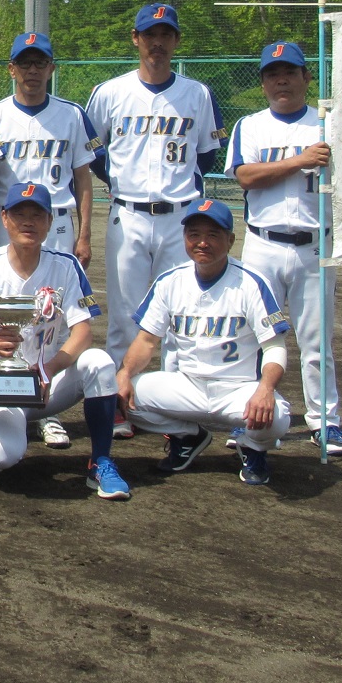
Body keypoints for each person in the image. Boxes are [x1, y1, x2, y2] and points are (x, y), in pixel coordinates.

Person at [0, 183, 128, 499]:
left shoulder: (66, 265)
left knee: (99, 362)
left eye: (37, 215)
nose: (29, 222)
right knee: (2, 457)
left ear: (50, 222)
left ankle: (102, 461)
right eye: (20, 214)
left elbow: (83, 333)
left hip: (45, 384)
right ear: (4, 219)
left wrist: (49, 368)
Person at [84, 3, 224, 436]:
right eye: (150, 34)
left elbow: (207, 153)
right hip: (128, 214)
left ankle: (176, 408)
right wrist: (121, 182)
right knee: (126, 315)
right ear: (135, 39)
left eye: (165, 34)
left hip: (180, 217)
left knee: (181, 313)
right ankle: (120, 405)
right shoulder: (109, 92)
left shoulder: (197, 94)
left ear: (176, 41)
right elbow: (93, 150)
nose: (157, 42)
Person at [116, 199, 291, 486]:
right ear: (184, 238)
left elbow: (274, 347)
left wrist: (266, 389)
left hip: (238, 389)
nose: (202, 243)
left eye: (213, 235)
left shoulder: (251, 282)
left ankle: (253, 447)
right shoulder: (170, 281)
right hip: (188, 386)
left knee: (278, 417)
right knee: (119, 394)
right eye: (194, 234)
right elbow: (147, 341)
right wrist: (124, 373)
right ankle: (189, 436)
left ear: (231, 240)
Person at [226, 42, 342, 456]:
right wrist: (299, 161)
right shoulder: (251, 125)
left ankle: (325, 420)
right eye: (272, 74)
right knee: (254, 338)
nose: (281, 80)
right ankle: (247, 415)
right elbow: (246, 175)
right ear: (262, 83)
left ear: (306, 77)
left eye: (289, 72)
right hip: (263, 244)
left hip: (315, 246)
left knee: (317, 340)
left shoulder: (329, 125)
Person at [0, 31, 101, 266]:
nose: (33, 70)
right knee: (6, 296)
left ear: (51, 69)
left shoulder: (72, 114)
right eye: (25, 63)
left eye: (40, 62)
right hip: (9, 220)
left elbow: (83, 179)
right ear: (12, 69)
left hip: (57, 221)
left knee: (57, 297)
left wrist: (84, 235)